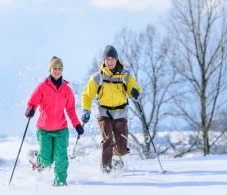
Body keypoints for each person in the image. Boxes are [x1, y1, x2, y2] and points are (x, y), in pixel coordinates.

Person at [81, 45, 141, 173]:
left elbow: (135, 89)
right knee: (108, 140)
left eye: (112, 59)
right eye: (107, 59)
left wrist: (135, 92)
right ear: (103, 60)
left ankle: (112, 154)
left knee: (122, 150)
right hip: (104, 114)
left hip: (120, 113)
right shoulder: (98, 77)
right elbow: (86, 95)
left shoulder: (125, 75)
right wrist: (86, 111)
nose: (110, 62)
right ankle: (106, 171)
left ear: (116, 59)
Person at [25, 56, 84, 186]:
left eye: (59, 68)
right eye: (54, 68)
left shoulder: (67, 90)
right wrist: (30, 110)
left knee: (61, 159)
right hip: (44, 129)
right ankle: (37, 158)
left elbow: (71, 111)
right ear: (50, 69)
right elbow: (32, 103)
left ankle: (60, 185)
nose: (57, 71)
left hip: (61, 130)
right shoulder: (42, 87)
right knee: (46, 160)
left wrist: (77, 125)